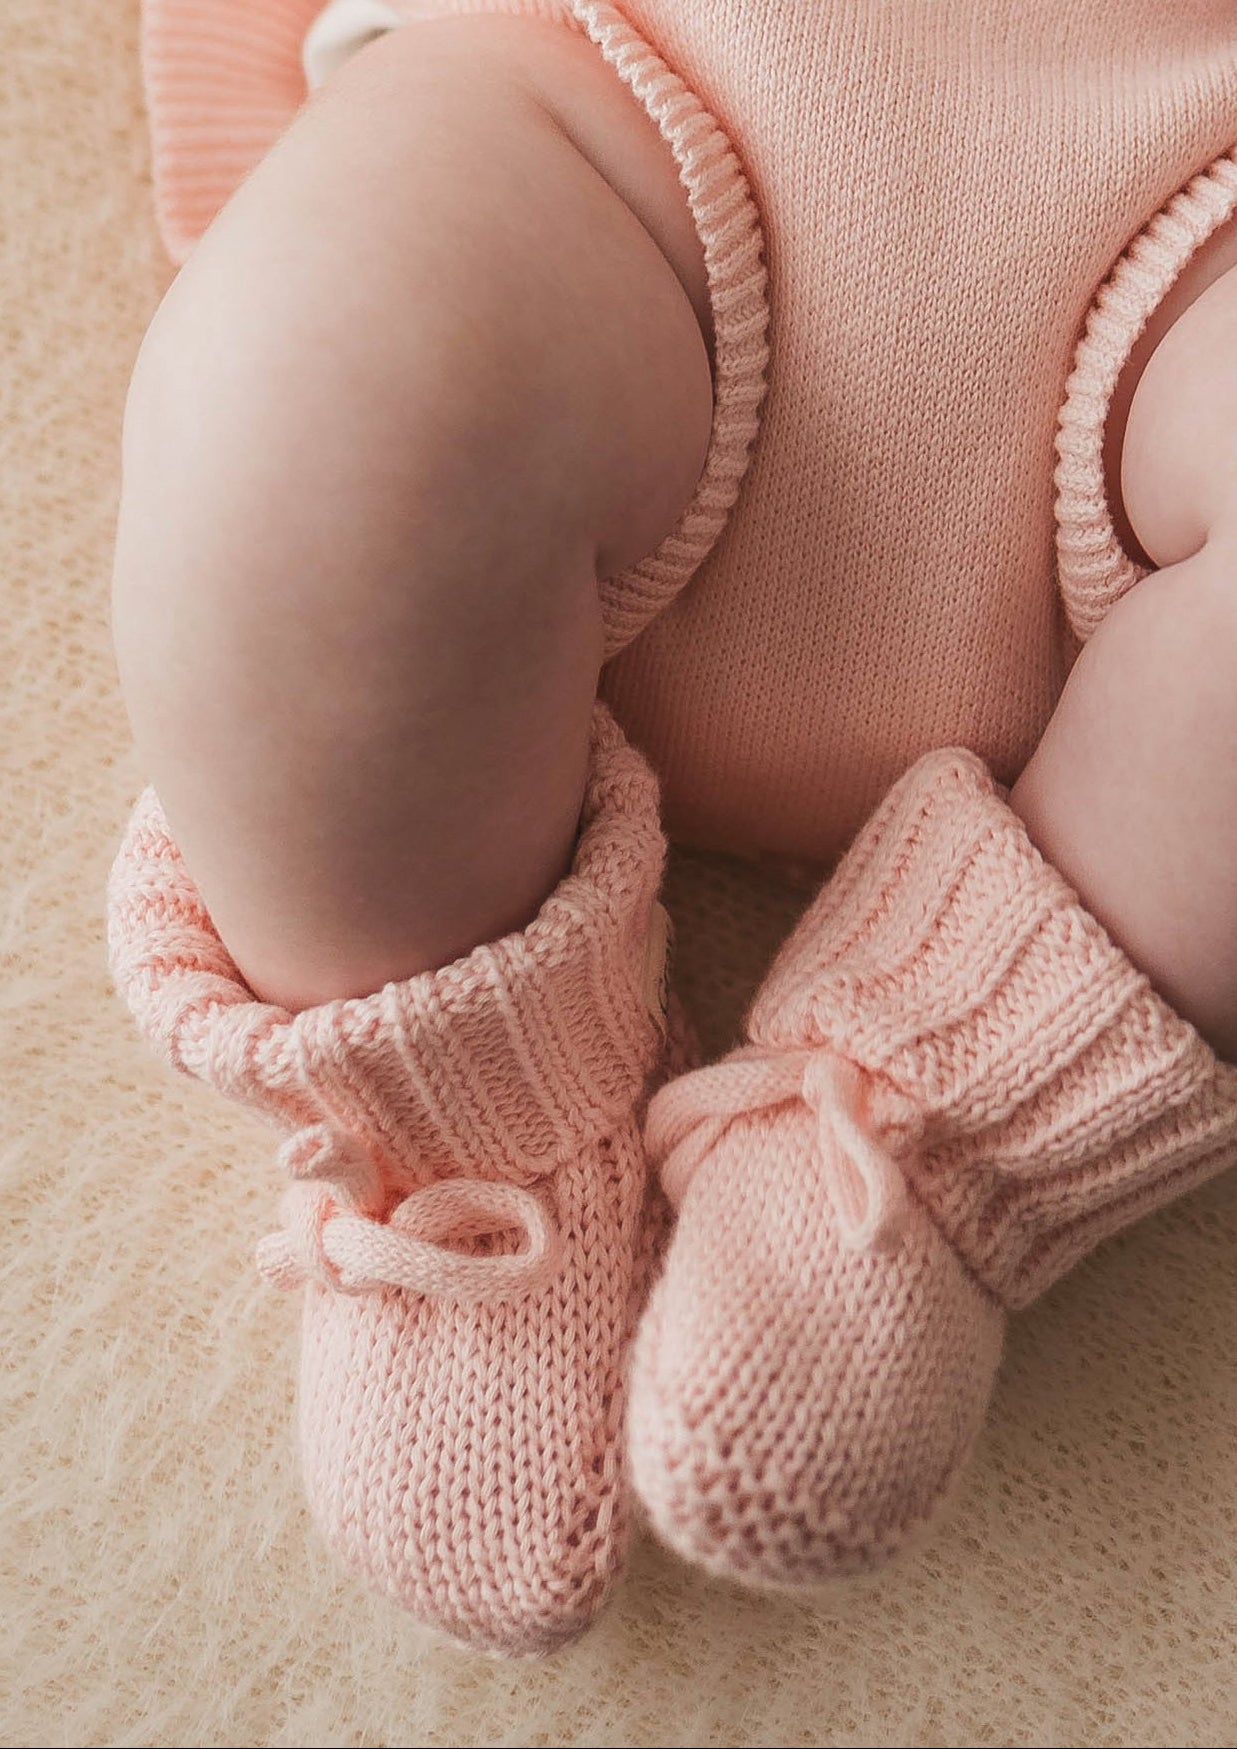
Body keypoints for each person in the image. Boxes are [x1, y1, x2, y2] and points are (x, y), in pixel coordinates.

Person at [107, 0, 1237, 1653]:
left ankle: (939, 1128)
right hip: (606, 96)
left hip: (1195, 198)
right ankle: (464, 1136)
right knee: (312, 386)